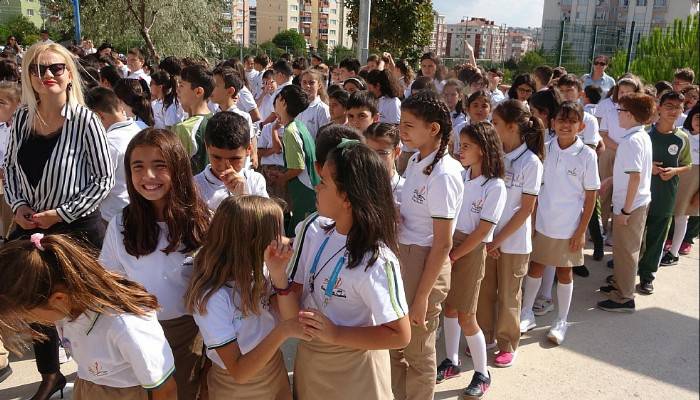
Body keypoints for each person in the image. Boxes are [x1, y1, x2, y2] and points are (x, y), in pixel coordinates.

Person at [4, 43, 115, 400]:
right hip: (32, 227)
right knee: (38, 306)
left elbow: (103, 178)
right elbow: (12, 169)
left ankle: (94, 373)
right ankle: (50, 375)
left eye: (55, 68)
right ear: (29, 77)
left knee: (83, 307)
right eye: (38, 69)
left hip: (76, 231)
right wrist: (19, 204)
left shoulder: (85, 121)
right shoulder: (22, 117)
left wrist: (61, 213)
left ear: (69, 74)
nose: (47, 75)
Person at [269, 140, 410, 400]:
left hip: (356, 375)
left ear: (346, 197)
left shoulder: (376, 260)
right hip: (313, 366)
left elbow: (400, 334)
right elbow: (294, 318)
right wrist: (279, 276)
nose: (316, 186)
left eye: (323, 182)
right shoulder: (316, 232)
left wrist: (336, 333)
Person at [100, 128, 210, 400]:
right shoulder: (121, 224)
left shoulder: (204, 220)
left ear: (178, 168)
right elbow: (109, 280)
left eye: (159, 166)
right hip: (137, 334)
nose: (148, 176)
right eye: (138, 167)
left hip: (190, 333)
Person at [0, 234, 178, 399]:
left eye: (27, 316)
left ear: (58, 298)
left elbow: (165, 388)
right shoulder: (65, 309)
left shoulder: (126, 327)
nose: (29, 323)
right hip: (88, 384)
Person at [185, 196, 305, 399]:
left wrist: (278, 276)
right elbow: (239, 372)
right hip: (237, 388)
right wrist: (283, 331)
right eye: (278, 232)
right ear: (252, 240)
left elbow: (290, 316)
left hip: (274, 371)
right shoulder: (212, 298)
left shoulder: (264, 271)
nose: (285, 239)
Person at [390, 91, 464, 400]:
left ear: (433, 129)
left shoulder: (445, 174)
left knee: (418, 352)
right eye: (401, 124)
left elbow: (443, 241)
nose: (401, 131)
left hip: (425, 265)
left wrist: (421, 297)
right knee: (395, 343)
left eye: (409, 125)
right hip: (404, 257)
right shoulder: (415, 161)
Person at [519, 102, 599, 345]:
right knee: (535, 268)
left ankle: (561, 320)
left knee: (565, 272)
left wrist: (581, 230)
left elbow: (591, 196)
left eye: (572, 121)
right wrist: (531, 221)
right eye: (561, 120)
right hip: (543, 223)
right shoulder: (544, 149)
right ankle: (527, 313)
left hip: (569, 227)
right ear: (552, 123)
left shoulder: (587, 155)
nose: (566, 125)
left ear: (581, 126)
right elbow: (535, 189)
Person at [437, 122, 507, 398]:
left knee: (467, 314)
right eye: (460, 145)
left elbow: (482, 231)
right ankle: (451, 361)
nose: (459, 150)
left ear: (483, 149)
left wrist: (454, 255)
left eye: (466, 146)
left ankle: (482, 371)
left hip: (470, 249)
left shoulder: (495, 185)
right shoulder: (462, 176)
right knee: (450, 309)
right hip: (451, 243)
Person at [478, 99, 544, 368]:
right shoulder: (493, 155)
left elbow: (526, 209)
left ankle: (507, 343)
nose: (491, 128)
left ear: (512, 126)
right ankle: (485, 336)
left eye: (495, 123)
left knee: (509, 294)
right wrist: (486, 237)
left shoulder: (531, 162)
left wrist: (498, 240)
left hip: (513, 242)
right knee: (484, 291)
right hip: (487, 238)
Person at [597, 93, 655, 313]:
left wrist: (625, 211)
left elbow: (635, 177)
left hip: (631, 205)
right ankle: (620, 284)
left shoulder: (631, 142)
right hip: (635, 202)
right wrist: (612, 179)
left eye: (620, 111)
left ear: (629, 115)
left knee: (626, 251)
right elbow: (634, 172)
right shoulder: (640, 136)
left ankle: (624, 297)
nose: (617, 114)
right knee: (624, 249)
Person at [634, 92, 691, 294]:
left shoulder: (682, 138)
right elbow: (633, 164)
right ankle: (626, 271)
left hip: (666, 195)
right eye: (669, 106)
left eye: (678, 107)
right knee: (635, 235)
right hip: (640, 194)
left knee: (657, 237)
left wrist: (675, 171)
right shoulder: (645, 134)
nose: (673, 111)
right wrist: (649, 168)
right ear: (658, 107)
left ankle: (647, 276)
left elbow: (687, 165)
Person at [85, 87, 142, 224]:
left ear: (98, 116)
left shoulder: (107, 143)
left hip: (114, 217)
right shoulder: (142, 128)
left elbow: (96, 185)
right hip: (140, 210)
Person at [595, 77, 642, 235]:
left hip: (630, 154)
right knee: (604, 190)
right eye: (622, 92)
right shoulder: (609, 106)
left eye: (629, 92)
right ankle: (601, 228)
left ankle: (618, 229)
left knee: (624, 190)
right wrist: (620, 148)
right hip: (610, 150)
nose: (624, 95)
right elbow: (603, 134)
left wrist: (625, 149)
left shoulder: (640, 110)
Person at [194, 111, 268, 211]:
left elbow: (265, 223)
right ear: (207, 147)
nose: (225, 166)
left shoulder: (255, 181)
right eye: (217, 157)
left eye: (234, 159)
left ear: (248, 150)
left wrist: (243, 197)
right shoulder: (195, 186)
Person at [272, 85, 318, 236]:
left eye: (278, 98)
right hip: (312, 187)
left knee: (300, 234)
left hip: (306, 190)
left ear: (283, 102)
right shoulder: (299, 125)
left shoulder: (290, 131)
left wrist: (281, 179)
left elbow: (298, 167)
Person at [663, 105, 700, 265]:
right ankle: (656, 248)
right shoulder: (678, 132)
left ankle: (674, 252)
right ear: (691, 117)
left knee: (681, 217)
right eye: (698, 117)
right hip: (671, 175)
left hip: (692, 181)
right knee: (662, 215)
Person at [173, 65, 215, 174]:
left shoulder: (185, 129)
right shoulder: (217, 120)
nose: (177, 90)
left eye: (181, 85)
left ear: (198, 92)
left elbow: (176, 170)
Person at [0, 81, 20, 240]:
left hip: (15, 187)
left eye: (2, 102)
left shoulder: (25, 128)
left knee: (10, 223)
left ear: (17, 105)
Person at [365, 122, 404, 205]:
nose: (373, 159)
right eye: (369, 152)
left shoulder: (407, 191)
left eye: (381, 153)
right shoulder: (357, 188)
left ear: (397, 152)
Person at [451, 90, 492, 156]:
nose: (479, 109)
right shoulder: (459, 129)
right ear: (468, 109)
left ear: (490, 110)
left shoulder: (493, 131)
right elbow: (456, 153)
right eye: (475, 106)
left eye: (484, 106)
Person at [298, 69, 331, 139]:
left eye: (311, 83)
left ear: (319, 85)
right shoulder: (298, 106)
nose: (307, 86)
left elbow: (325, 136)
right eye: (304, 82)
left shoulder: (322, 109)